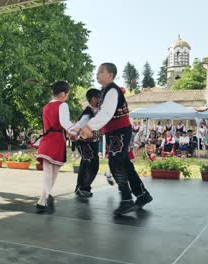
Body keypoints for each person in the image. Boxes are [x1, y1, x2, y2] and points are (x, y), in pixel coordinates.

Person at [78, 63, 152, 215]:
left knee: (116, 163)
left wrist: (89, 127)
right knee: (124, 164)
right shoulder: (105, 91)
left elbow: (106, 114)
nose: (97, 74)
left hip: (120, 132)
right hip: (116, 133)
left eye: (100, 72)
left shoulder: (112, 90)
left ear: (110, 75)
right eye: (97, 72)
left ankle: (126, 199)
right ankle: (142, 195)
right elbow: (102, 114)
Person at [35, 81, 76, 213]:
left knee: (48, 171)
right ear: (63, 93)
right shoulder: (62, 105)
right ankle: (46, 196)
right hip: (57, 139)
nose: (67, 96)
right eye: (67, 93)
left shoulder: (46, 107)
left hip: (46, 139)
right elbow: (65, 123)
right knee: (54, 172)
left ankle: (43, 200)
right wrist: (77, 132)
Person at [72, 89, 102, 198]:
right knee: (92, 164)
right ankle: (83, 187)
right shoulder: (88, 114)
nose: (101, 100)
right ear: (94, 99)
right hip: (84, 143)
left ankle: (81, 188)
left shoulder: (94, 111)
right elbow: (78, 126)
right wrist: (79, 134)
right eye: (100, 97)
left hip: (89, 143)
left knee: (86, 164)